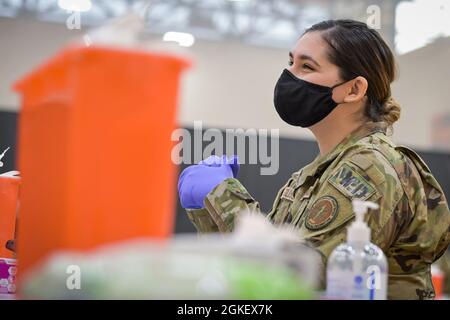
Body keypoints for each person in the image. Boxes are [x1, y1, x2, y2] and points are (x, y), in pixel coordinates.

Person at [177, 19, 450, 300]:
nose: (289, 75)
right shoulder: (319, 172)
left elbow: (298, 276)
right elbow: (252, 274)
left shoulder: (368, 169)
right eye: (291, 62)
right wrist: (206, 209)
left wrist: (222, 195)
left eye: (307, 67)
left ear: (354, 90)